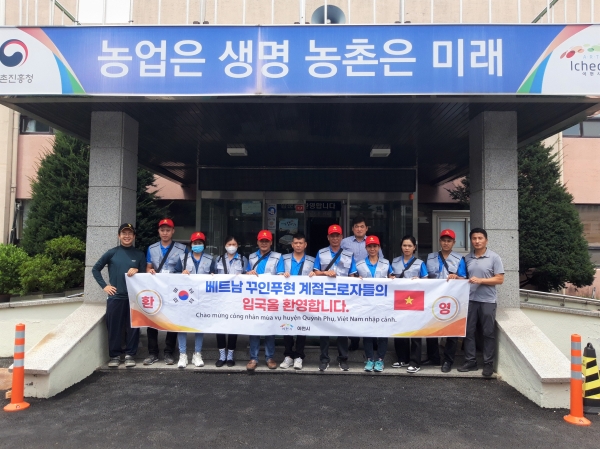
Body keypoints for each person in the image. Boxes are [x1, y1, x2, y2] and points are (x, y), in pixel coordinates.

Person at [92, 223, 146, 368]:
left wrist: (137, 270)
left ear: (134, 236)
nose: (127, 236)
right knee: (114, 328)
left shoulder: (139, 254)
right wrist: (105, 286)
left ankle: (130, 354)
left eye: (130, 233)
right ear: (119, 236)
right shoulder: (112, 253)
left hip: (134, 298)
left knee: (133, 327)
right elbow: (95, 269)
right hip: (115, 298)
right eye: (124, 233)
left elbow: (145, 276)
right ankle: (114, 355)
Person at [457, 228, 504, 378]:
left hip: (488, 301)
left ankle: (488, 363)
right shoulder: (467, 258)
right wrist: (455, 277)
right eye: (474, 238)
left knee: (488, 332)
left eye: (480, 238)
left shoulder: (494, 257)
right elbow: (464, 278)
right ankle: (470, 361)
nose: (477, 241)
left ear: (486, 240)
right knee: (468, 331)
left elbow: (500, 279)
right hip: (470, 300)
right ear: (471, 241)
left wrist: (481, 280)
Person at [313, 224, 357, 372]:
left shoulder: (349, 254)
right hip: (325, 296)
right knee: (324, 328)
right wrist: (325, 273)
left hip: (342, 298)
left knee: (341, 328)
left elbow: (352, 275)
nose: (335, 238)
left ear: (341, 237)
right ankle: (324, 359)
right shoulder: (321, 253)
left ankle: (343, 359)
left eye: (337, 235)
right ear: (328, 237)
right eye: (332, 236)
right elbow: (315, 272)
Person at [144, 218, 187, 366]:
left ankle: (169, 352)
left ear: (173, 231)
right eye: (162, 230)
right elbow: (148, 267)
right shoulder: (151, 248)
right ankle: (152, 353)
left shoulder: (182, 249)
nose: (165, 233)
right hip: (156, 290)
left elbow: (186, 269)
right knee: (152, 320)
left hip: (174, 290)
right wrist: (149, 271)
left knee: (172, 320)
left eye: (168, 230)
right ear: (159, 231)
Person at [425, 229, 468, 373]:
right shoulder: (430, 257)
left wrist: (457, 277)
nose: (446, 243)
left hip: (452, 299)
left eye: (449, 241)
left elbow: (464, 279)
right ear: (440, 241)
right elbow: (425, 277)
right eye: (443, 240)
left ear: (453, 243)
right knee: (431, 328)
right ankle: (433, 357)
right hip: (433, 298)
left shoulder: (459, 259)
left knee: (451, 330)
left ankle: (448, 361)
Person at [341, 215, 383, 351]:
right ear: (352, 229)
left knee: (371, 311)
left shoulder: (373, 242)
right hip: (351, 281)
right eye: (357, 227)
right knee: (352, 311)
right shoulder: (344, 242)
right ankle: (354, 340)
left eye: (362, 226)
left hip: (369, 284)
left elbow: (381, 261)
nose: (359, 229)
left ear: (366, 228)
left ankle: (373, 339)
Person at [276, 232, 316, 370]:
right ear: (292, 245)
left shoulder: (312, 260)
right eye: (296, 243)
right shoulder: (284, 258)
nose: (298, 245)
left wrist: (314, 274)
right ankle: (288, 355)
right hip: (287, 299)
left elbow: (318, 276)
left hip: (304, 300)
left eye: (301, 243)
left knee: (301, 327)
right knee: (287, 326)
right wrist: (283, 274)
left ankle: (299, 356)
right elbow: (278, 274)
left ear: (305, 245)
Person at [390, 235, 429, 374]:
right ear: (401, 247)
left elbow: (427, 281)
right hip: (399, 299)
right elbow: (390, 277)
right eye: (404, 245)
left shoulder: (420, 263)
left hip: (415, 300)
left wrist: (420, 280)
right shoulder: (394, 262)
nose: (407, 248)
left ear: (414, 248)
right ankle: (402, 358)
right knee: (399, 329)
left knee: (415, 331)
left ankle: (415, 361)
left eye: (409, 246)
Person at [174, 231, 213, 369]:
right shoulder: (183, 258)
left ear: (204, 244)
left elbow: (215, 275)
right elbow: (174, 274)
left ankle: (197, 353)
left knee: (199, 325)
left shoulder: (210, 258)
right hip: (185, 297)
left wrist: (213, 275)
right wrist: (181, 273)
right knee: (182, 324)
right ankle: (182, 354)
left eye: (200, 243)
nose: (197, 245)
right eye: (195, 243)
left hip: (202, 298)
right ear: (191, 244)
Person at [245, 230, 282, 371]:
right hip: (255, 298)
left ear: (271, 242)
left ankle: (269, 357)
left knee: (269, 328)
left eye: (267, 241)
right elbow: (246, 273)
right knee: (254, 327)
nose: (264, 243)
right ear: (257, 242)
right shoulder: (252, 257)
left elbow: (280, 275)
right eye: (262, 241)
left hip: (271, 298)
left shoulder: (278, 257)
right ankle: (253, 358)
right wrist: (249, 273)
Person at [356, 235, 392, 373]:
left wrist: (392, 279)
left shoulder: (386, 263)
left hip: (383, 304)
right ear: (366, 248)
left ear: (379, 247)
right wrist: (356, 279)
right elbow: (351, 279)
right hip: (366, 304)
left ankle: (380, 359)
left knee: (382, 332)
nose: (372, 249)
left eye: (375, 246)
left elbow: (392, 277)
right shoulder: (359, 264)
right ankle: (370, 358)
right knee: (368, 332)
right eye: (370, 246)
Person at [212, 236, 248, 367]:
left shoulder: (243, 259)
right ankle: (222, 355)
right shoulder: (218, 259)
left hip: (236, 298)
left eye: (234, 244)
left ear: (237, 245)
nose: (231, 246)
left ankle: (230, 355)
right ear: (225, 245)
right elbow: (212, 274)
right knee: (220, 325)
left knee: (233, 325)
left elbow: (247, 276)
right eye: (229, 244)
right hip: (220, 297)